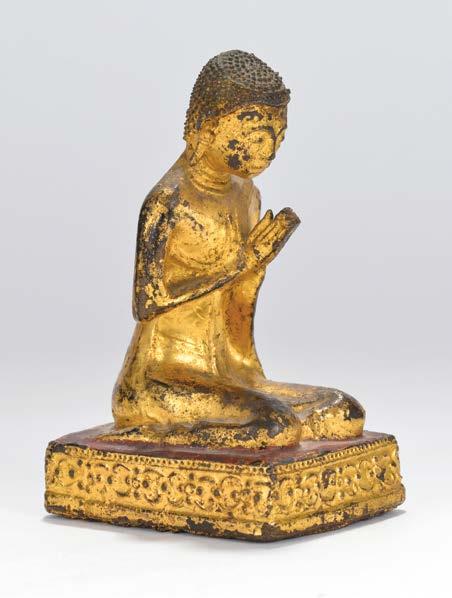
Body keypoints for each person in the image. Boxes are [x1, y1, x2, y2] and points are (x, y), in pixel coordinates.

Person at [111, 50, 364, 448]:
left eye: (279, 138)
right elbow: (147, 303)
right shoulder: (168, 201)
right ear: (209, 126)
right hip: (163, 378)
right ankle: (160, 432)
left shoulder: (247, 194)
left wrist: (256, 267)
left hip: (229, 371)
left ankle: (231, 422)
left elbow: (237, 305)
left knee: (343, 411)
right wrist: (241, 262)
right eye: (257, 137)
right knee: (276, 427)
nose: (270, 152)